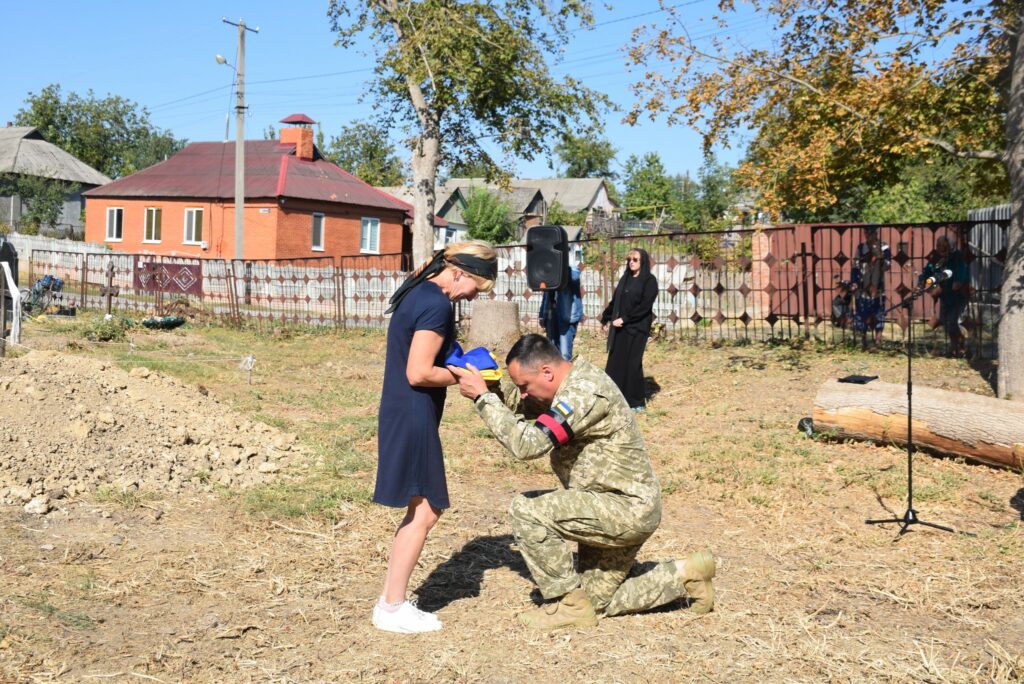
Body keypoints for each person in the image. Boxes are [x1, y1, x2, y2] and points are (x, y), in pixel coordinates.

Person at [450, 334, 716, 631]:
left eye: (524, 386)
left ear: (546, 372)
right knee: (595, 603)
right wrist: (492, 387)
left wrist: (482, 399)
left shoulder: (584, 393)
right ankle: (687, 574)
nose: (522, 394)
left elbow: (528, 445)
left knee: (526, 509)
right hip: (611, 504)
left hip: (623, 510)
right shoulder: (566, 384)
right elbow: (524, 405)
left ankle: (568, 603)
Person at [372, 240, 498, 634]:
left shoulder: (418, 289)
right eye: (475, 287)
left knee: (422, 504)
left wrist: (453, 360)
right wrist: (468, 376)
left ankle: (392, 602)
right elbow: (419, 372)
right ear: (458, 273)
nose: (473, 296)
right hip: (412, 412)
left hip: (402, 409)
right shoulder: (437, 304)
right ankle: (392, 606)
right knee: (427, 508)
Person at [599, 249, 658, 412]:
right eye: (630, 259)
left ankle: (636, 401)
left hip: (637, 328)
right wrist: (606, 317)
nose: (631, 262)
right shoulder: (625, 279)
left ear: (643, 262)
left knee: (632, 364)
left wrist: (625, 319)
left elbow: (645, 307)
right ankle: (614, 398)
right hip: (620, 328)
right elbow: (615, 301)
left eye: (635, 259)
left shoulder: (649, 281)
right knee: (615, 363)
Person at [921, 235, 970, 358]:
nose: (939, 248)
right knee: (946, 322)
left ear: (949, 246)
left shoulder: (957, 256)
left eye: (942, 246)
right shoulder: (937, 258)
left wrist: (958, 281)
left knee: (952, 322)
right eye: (938, 246)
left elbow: (960, 274)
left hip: (958, 296)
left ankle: (961, 346)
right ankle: (954, 348)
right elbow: (928, 272)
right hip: (945, 295)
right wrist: (923, 282)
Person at [851, 226, 892, 347]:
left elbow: (887, 266)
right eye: (866, 233)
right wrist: (855, 281)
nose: (868, 236)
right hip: (863, 287)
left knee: (878, 313)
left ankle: (878, 340)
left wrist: (881, 257)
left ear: (876, 233)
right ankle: (864, 341)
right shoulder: (860, 248)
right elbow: (855, 266)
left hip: (877, 287)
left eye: (870, 233)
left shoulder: (884, 247)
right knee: (862, 313)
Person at [537, 263, 583, 361]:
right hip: (551, 316)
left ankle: (565, 375)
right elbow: (545, 295)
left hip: (567, 316)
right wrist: (542, 315)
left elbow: (574, 278)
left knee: (565, 354)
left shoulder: (572, 270)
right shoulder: (550, 271)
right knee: (552, 352)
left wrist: (562, 266)